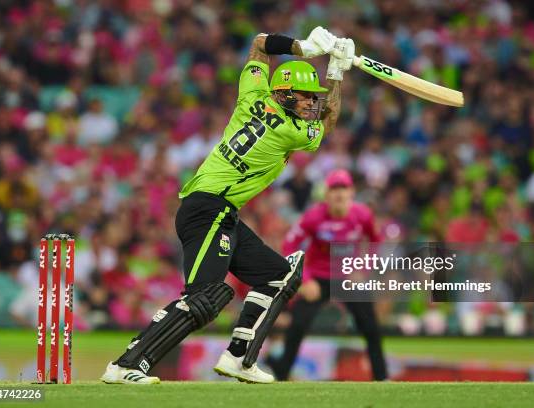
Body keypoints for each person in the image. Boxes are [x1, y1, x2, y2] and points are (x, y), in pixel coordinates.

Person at [100, 27, 355, 384]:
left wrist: (301, 47)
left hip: (219, 211)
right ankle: (127, 365)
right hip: (207, 210)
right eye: (305, 97)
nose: (312, 104)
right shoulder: (289, 130)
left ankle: (239, 358)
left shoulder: (252, 93)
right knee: (206, 296)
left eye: (315, 97)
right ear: (283, 96)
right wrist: (336, 72)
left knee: (278, 276)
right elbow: (328, 121)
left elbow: (258, 44)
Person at [267, 169, 388, 381]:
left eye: (343, 188)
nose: (339, 194)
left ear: (352, 192)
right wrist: (304, 281)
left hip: (349, 278)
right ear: (326, 195)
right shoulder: (313, 216)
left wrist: (363, 268)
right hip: (318, 279)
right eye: (334, 189)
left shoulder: (362, 215)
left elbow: (376, 241)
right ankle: (281, 375)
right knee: (298, 325)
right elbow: (289, 244)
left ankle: (382, 377)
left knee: (370, 326)